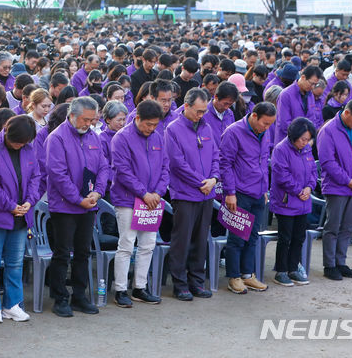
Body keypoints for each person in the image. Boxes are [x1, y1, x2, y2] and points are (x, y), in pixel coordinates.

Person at [46, 97, 110, 317]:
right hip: (64, 207)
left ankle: (79, 295)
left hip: (88, 204)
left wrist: (98, 192)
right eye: (85, 119)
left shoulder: (93, 136)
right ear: (72, 115)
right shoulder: (57, 138)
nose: (89, 124)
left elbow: (103, 166)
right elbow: (58, 175)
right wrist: (78, 199)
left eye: (93, 120)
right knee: (62, 252)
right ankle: (60, 297)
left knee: (84, 252)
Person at [0, 115, 40, 323]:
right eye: (18, 142)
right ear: (7, 133)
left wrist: (30, 201)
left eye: (24, 143)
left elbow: (36, 177)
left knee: (15, 262)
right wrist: (10, 206)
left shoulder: (29, 148)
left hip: (22, 214)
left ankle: (12, 304)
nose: (20, 146)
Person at [110, 100, 169, 307]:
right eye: (148, 125)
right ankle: (120, 289)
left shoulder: (158, 138)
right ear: (137, 119)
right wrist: (145, 194)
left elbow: (165, 168)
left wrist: (158, 193)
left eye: (154, 125)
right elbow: (123, 171)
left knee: (148, 245)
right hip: (128, 200)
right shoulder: (122, 138)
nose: (151, 129)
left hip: (151, 201)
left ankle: (139, 287)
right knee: (126, 244)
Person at [165, 88, 218, 300]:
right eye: (198, 111)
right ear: (186, 106)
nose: (201, 115)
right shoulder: (173, 129)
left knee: (201, 239)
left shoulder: (207, 127)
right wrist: (200, 182)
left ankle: (197, 280)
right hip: (185, 193)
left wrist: (213, 179)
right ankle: (180, 283)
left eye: (204, 111)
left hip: (206, 193)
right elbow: (177, 163)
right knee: (182, 240)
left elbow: (216, 155)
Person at [220, 102, 276, 294]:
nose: (267, 128)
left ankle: (247, 275)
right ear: (254, 116)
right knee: (236, 237)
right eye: (265, 123)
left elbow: (264, 160)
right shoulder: (234, 132)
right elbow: (225, 164)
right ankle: (234, 277)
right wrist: (230, 192)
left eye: (270, 124)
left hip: (258, 192)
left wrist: (266, 188)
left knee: (252, 237)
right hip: (240, 192)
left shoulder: (265, 132)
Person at [317, 99, 352, 281]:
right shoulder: (328, 130)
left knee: (347, 227)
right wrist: (348, 181)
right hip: (337, 187)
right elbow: (327, 162)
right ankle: (329, 265)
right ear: (347, 113)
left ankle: (341, 262)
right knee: (333, 227)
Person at [269, 117, 317, 287]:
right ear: (293, 135)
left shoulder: (306, 150)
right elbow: (282, 176)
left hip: (303, 202)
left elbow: (313, 171)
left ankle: (293, 269)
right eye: (303, 139)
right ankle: (281, 271)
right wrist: (298, 191)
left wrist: (309, 188)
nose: (305, 142)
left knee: (299, 237)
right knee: (285, 238)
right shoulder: (281, 149)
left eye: (308, 139)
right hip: (286, 201)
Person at [275, 65, 322, 141]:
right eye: (311, 83)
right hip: (287, 142)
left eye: (315, 84)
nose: (313, 87)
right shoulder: (286, 95)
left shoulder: (310, 94)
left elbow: (312, 118)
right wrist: (301, 138)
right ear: (303, 77)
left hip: (304, 143)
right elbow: (284, 123)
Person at [205, 81, 238, 147]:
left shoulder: (230, 114)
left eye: (230, 104)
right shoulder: (203, 113)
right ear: (216, 97)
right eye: (225, 103)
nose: (227, 107)